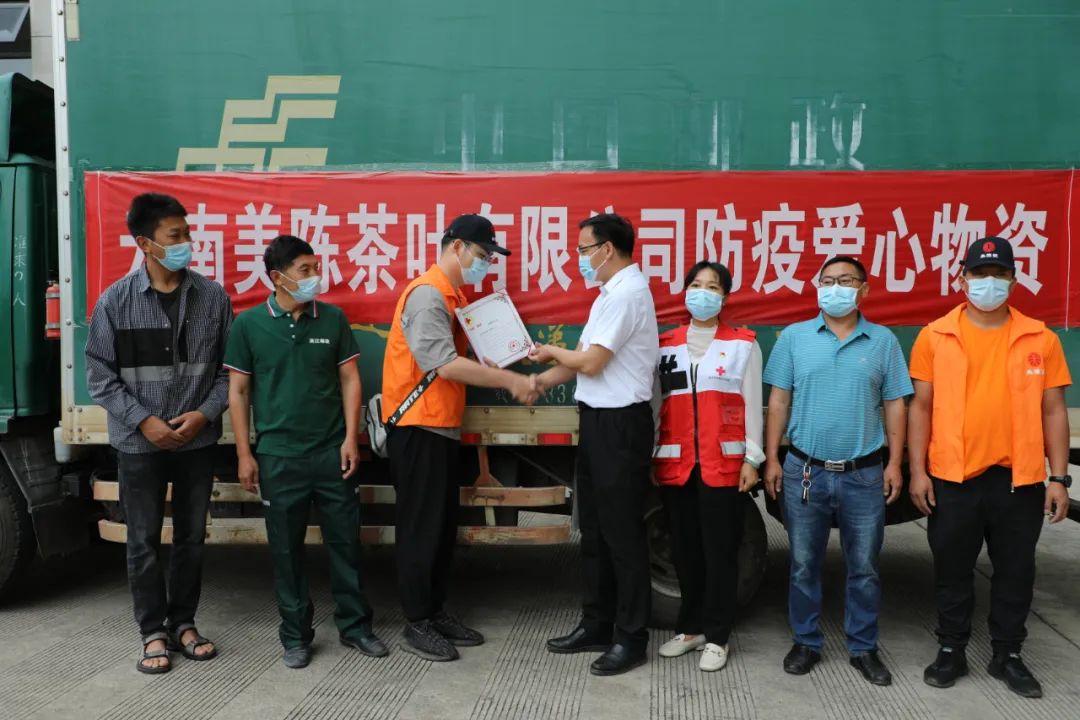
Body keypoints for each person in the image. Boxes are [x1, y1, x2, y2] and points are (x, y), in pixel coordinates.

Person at [908, 237, 1072, 699]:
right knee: (952, 570)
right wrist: (918, 471)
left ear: (1014, 281)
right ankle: (951, 649)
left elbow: (1054, 411)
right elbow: (921, 408)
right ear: (962, 279)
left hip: (1019, 480)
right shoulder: (935, 336)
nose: (989, 283)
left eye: (999, 275)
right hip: (953, 477)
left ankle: (1008, 655)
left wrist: (1058, 478)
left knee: (1016, 572)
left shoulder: (1040, 338)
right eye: (980, 274)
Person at [224, 234, 386, 669]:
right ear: (278, 278)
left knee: (345, 544)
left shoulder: (332, 319)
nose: (316, 276)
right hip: (277, 456)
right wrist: (244, 454)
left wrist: (351, 438)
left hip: (332, 453)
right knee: (286, 551)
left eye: (316, 267)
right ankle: (295, 636)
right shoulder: (248, 325)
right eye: (305, 270)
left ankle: (356, 627)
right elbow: (238, 392)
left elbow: (351, 379)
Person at [382, 214, 538, 662]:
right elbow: (443, 364)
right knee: (420, 528)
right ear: (456, 247)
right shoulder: (428, 295)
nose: (485, 264)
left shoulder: (454, 297)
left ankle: (434, 611)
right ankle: (417, 620)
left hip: (440, 425)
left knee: (440, 526)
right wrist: (510, 381)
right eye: (482, 254)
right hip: (417, 427)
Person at [85, 193, 231, 674]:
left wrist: (203, 415)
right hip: (138, 444)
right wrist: (144, 421)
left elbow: (228, 372)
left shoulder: (213, 298)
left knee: (191, 538)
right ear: (145, 243)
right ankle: (152, 632)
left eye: (187, 233)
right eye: (175, 235)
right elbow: (99, 377)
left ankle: (184, 623)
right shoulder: (115, 302)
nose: (187, 242)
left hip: (196, 442)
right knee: (143, 541)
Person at [762, 255, 912, 686]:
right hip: (805, 470)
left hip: (864, 474)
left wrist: (895, 463)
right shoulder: (794, 337)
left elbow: (895, 404)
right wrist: (772, 457)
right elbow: (778, 401)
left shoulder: (882, 341)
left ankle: (863, 648)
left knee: (864, 568)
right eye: (827, 280)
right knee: (803, 564)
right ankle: (806, 642)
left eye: (846, 280)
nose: (836, 288)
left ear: (864, 289)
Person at [533, 213, 660, 677]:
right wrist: (538, 383)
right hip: (597, 421)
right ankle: (597, 624)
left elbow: (590, 362)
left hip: (621, 425)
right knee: (595, 531)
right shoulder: (609, 295)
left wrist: (549, 351)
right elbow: (581, 360)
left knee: (622, 535)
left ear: (607, 249)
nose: (579, 259)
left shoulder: (628, 294)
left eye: (584, 250)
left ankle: (631, 637)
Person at [653, 261, 763, 673]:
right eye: (696, 284)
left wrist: (752, 458)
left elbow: (752, 403)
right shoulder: (667, 344)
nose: (703, 293)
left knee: (720, 553)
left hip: (723, 466)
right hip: (677, 466)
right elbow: (656, 405)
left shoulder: (742, 344)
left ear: (725, 297)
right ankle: (691, 628)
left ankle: (718, 635)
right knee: (684, 551)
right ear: (685, 292)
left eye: (713, 287)